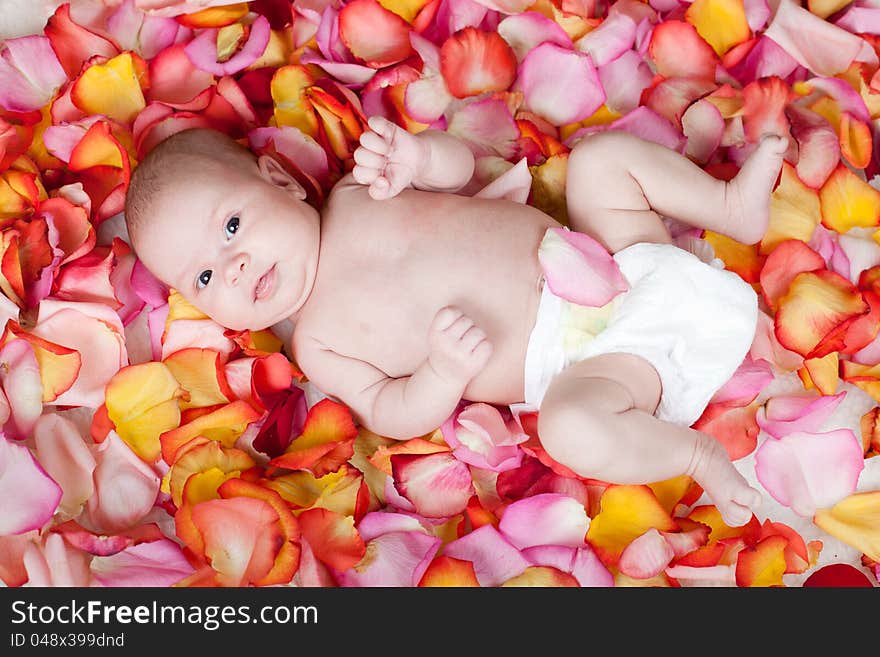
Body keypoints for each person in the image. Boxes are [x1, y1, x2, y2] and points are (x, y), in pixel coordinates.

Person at [124, 116, 788, 527]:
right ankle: (696, 454)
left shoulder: (363, 190)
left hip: (615, 255)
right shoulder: (321, 343)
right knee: (567, 425)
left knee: (598, 164)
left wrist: (420, 159)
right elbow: (392, 408)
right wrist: (442, 371)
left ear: (282, 179)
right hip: (593, 364)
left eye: (232, 226)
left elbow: (462, 167)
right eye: (205, 278)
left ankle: (728, 205)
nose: (234, 266)